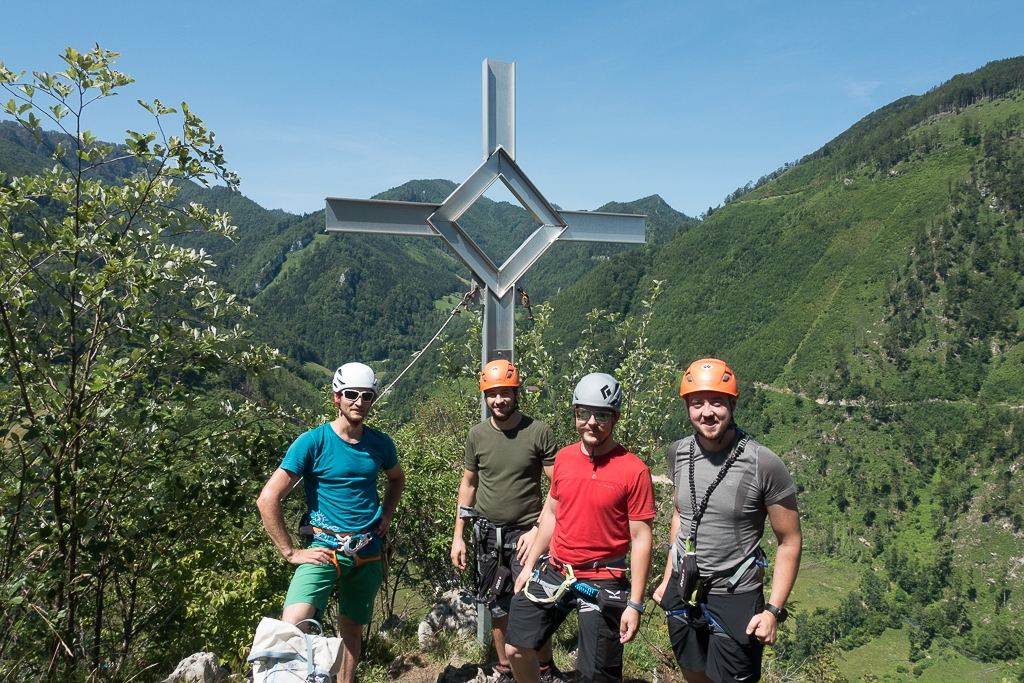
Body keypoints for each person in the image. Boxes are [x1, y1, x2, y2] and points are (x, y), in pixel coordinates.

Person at [653, 358, 801, 683]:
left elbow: (789, 540)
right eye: (697, 403)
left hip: (736, 594)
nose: (707, 412)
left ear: (733, 403)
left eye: (717, 402)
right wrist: (667, 579)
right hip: (683, 586)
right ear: (687, 408)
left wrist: (773, 610)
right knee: (693, 673)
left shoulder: (763, 463)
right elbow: (680, 515)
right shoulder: (678, 452)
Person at [257, 362, 405, 683]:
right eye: (351, 394)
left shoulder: (380, 444)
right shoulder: (313, 442)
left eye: (367, 396)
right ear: (336, 398)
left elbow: (397, 479)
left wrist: (386, 514)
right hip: (324, 549)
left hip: (368, 550)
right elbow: (267, 498)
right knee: (292, 627)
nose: (359, 402)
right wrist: (291, 553)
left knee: (352, 627)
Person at [505, 373, 655, 683]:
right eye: (583, 413)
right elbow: (551, 513)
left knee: (598, 675)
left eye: (602, 415)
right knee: (516, 649)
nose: (591, 422)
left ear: (615, 418)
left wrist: (635, 604)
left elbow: (641, 538)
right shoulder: (564, 458)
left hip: (604, 576)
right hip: (557, 568)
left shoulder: (634, 470)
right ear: (575, 413)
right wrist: (529, 565)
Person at [450, 360, 561, 683]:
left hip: (527, 534)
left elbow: (558, 487)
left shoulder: (538, 432)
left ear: (516, 393)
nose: (498, 400)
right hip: (487, 534)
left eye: (505, 393)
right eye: (492, 394)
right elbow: (469, 485)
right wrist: (459, 535)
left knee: (534, 604)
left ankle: (544, 667)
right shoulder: (477, 435)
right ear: (485, 396)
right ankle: (506, 669)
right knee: (497, 605)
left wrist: (539, 530)